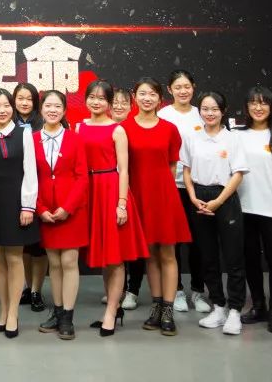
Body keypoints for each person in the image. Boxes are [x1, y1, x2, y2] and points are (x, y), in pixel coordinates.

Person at [123, 78, 193, 336]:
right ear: (134, 96)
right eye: (142, 93)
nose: (147, 98)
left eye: (152, 94)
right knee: (150, 254)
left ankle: (168, 310)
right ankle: (156, 306)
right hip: (138, 197)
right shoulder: (124, 128)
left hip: (164, 197)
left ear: (160, 99)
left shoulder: (170, 129)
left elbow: (172, 165)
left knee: (168, 254)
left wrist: (164, 190)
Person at [78, 80, 148, 337]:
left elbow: (124, 170)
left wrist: (121, 204)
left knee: (115, 257)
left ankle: (110, 313)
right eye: (92, 97)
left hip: (110, 191)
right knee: (104, 257)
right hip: (89, 192)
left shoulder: (117, 130)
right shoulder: (79, 127)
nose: (96, 102)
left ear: (109, 103)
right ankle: (114, 306)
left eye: (101, 98)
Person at [182, 91, 249, 336]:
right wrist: (192, 197)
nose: (209, 113)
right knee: (207, 256)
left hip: (225, 197)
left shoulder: (232, 139)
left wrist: (218, 201)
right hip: (199, 197)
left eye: (214, 109)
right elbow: (186, 169)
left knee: (233, 257)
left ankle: (235, 310)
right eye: (205, 109)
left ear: (223, 111)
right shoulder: (192, 136)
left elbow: (238, 174)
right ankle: (218, 307)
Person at [236, 86, 272, 334]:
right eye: (253, 103)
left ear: (271, 107)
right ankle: (258, 306)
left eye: (263, 103)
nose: (258, 107)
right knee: (250, 260)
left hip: (271, 209)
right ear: (247, 107)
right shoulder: (237, 135)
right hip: (242, 208)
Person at [0, 88, 40, 338]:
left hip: (16, 205)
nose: (2, 110)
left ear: (13, 108)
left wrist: (28, 206)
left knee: (14, 257)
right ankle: (3, 311)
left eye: (6, 105)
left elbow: (30, 172)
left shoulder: (23, 134)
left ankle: (14, 313)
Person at [33, 90, 88, 341]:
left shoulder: (75, 139)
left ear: (64, 110)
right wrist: (40, 208)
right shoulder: (31, 140)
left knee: (69, 262)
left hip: (71, 210)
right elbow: (28, 178)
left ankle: (67, 316)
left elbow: (82, 177)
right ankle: (57, 312)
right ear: (41, 109)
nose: (52, 110)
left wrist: (68, 207)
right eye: (48, 105)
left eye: (57, 106)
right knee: (53, 263)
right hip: (45, 210)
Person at [157, 70, 210, 314]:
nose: (183, 91)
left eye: (187, 86)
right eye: (177, 87)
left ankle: (198, 290)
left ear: (193, 87)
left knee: (199, 241)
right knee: (173, 242)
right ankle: (176, 290)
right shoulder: (163, 115)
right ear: (170, 90)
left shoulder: (203, 114)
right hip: (171, 186)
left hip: (197, 186)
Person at [14, 82, 48, 313]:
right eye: (20, 98)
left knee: (39, 245)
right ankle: (27, 287)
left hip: (41, 187)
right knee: (23, 244)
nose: (24, 103)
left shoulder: (44, 122)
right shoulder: (7, 122)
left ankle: (37, 289)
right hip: (16, 189)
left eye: (29, 99)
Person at [111, 87, 143, 310]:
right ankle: (117, 290)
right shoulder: (104, 127)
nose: (119, 106)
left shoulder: (134, 129)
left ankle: (133, 290)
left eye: (124, 103)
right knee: (116, 243)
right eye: (115, 102)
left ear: (131, 106)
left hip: (134, 190)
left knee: (134, 243)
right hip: (109, 191)